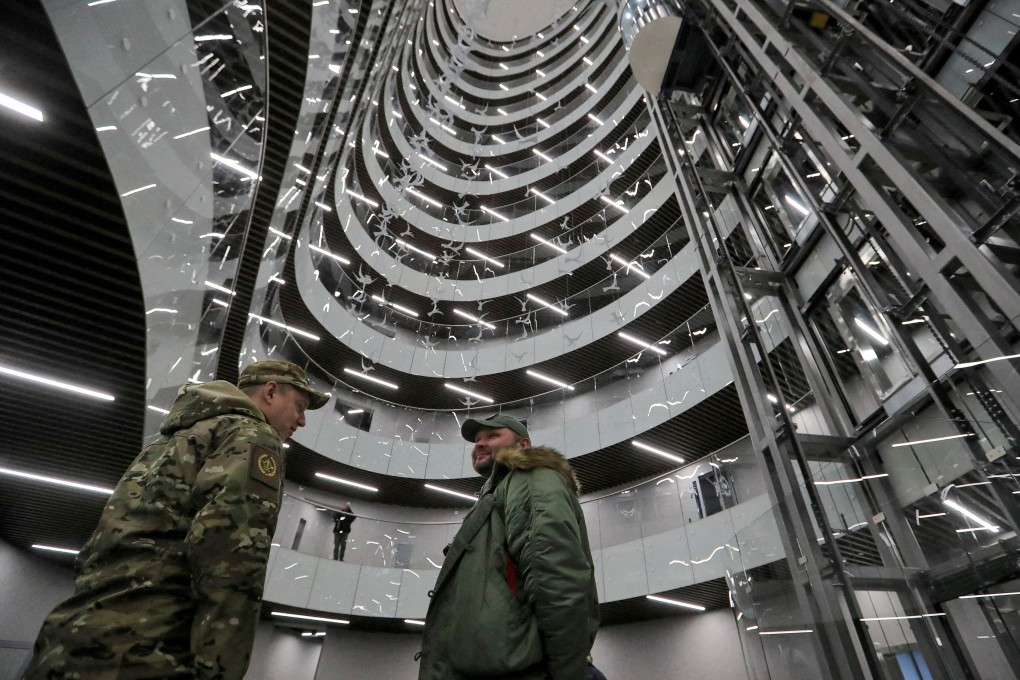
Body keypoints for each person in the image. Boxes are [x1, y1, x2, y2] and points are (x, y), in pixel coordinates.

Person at [24, 360, 329, 680]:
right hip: (145, 653)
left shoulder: (169, 441)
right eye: (300, 406)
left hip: (69, 640)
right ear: (270, 392)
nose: (302, 420)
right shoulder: (253, 436)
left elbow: (101, 542)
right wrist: (219, 671)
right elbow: (231, 558)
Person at [417, 414, 599, 680]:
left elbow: (555, 579)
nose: (479, 444)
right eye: (477, 439)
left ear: (523, 445)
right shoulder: (496, 493)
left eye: (492, 436)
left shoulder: (529, 478)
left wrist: (566, 674)